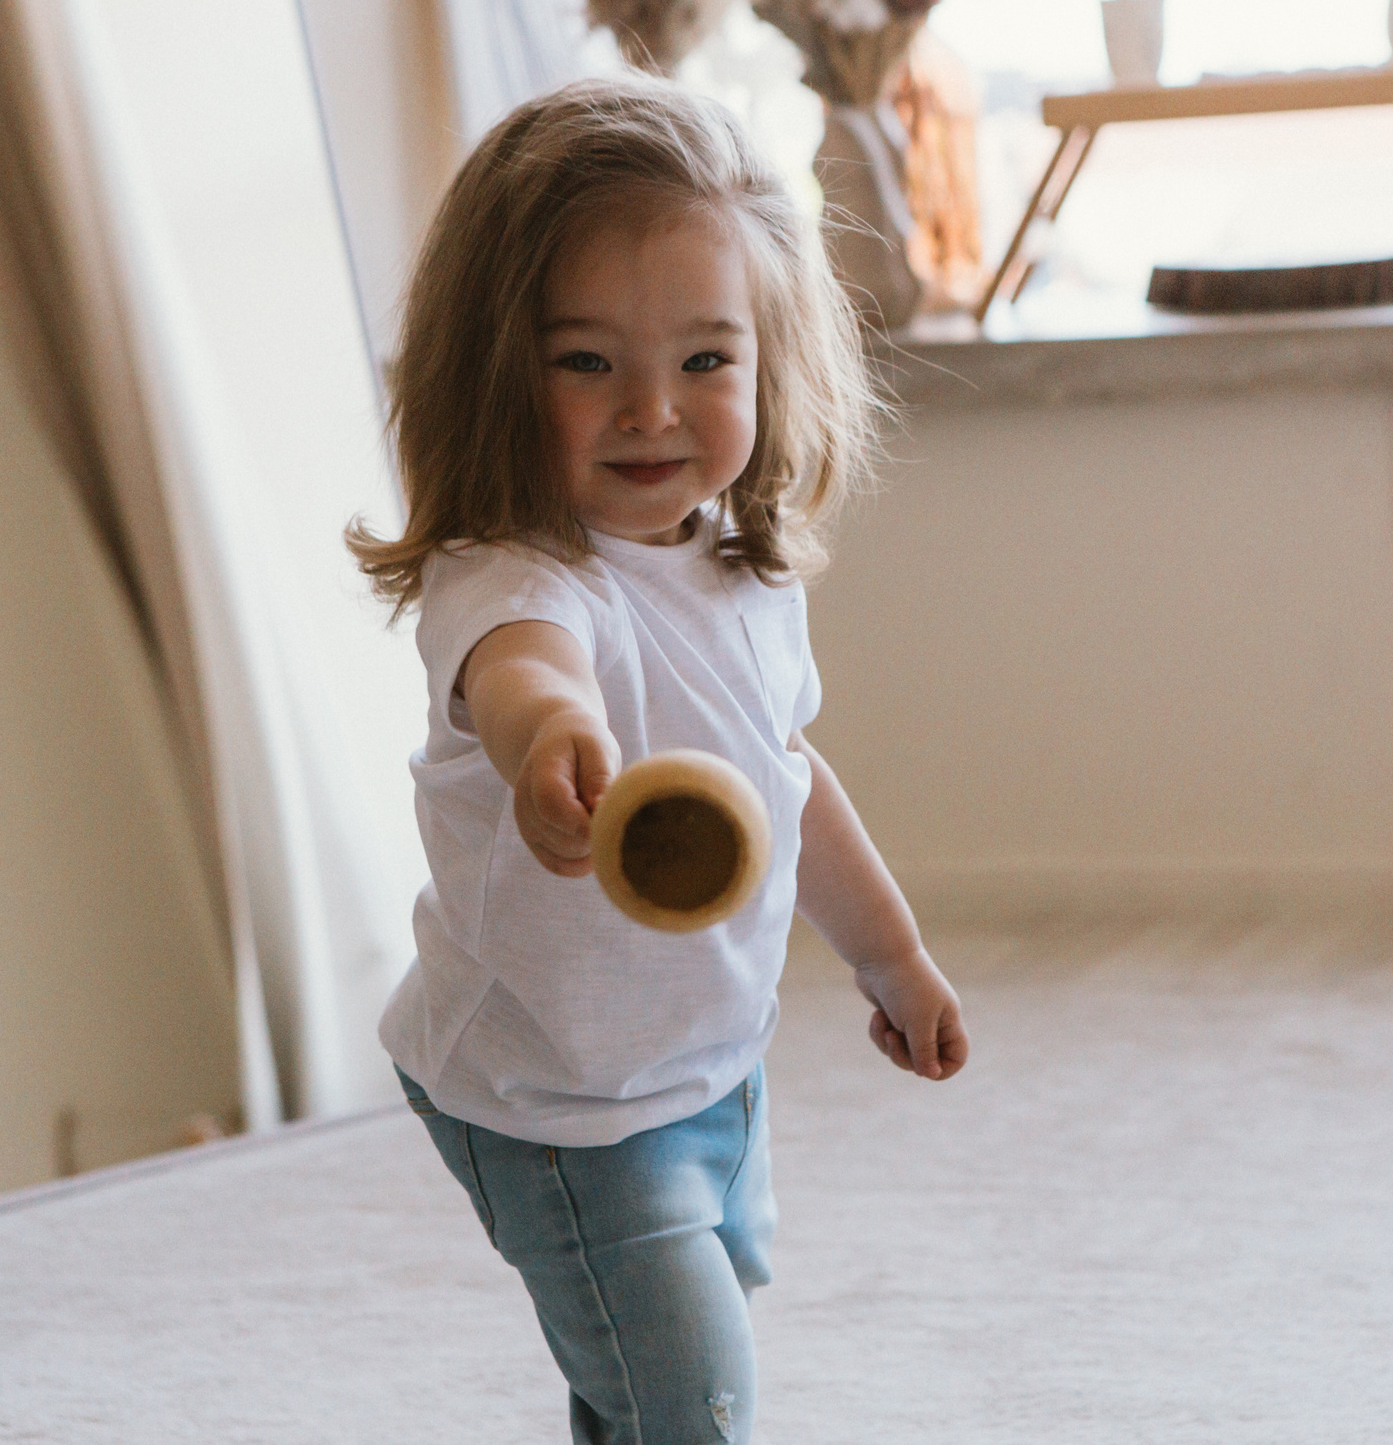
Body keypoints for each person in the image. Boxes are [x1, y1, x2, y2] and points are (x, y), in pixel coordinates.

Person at [350, 77, 968, 1444]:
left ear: (766, 361)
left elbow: (788, 787)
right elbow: (525, 668)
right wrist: (552, 739)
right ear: (496, 368)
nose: (651, 411)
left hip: (707, 1069)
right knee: (693, 1405)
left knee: (640, 1384)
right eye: (587, 363)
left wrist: (895, 957)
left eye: (704, 361)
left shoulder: (739, 572)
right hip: (559, 1102)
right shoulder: (509, 576)